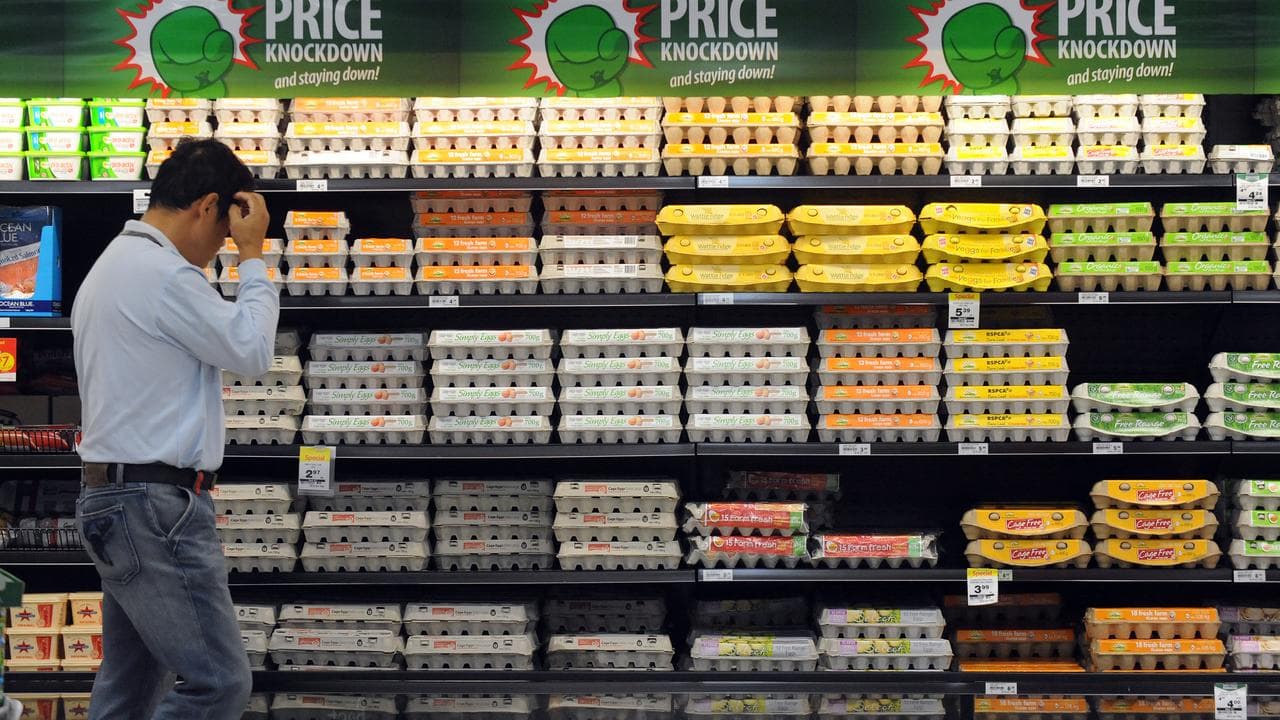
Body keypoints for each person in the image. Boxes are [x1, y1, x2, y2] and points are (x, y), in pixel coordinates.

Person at [72, 138, 278, 720]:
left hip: (115, 498)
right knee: (217, 683)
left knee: (131, 684)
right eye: (222, 232)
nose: (219, 249)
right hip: (154, 505)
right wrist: (254, 257)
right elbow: (252, 349)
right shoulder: (162, 276)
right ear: (207, 205)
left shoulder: (112, 265)